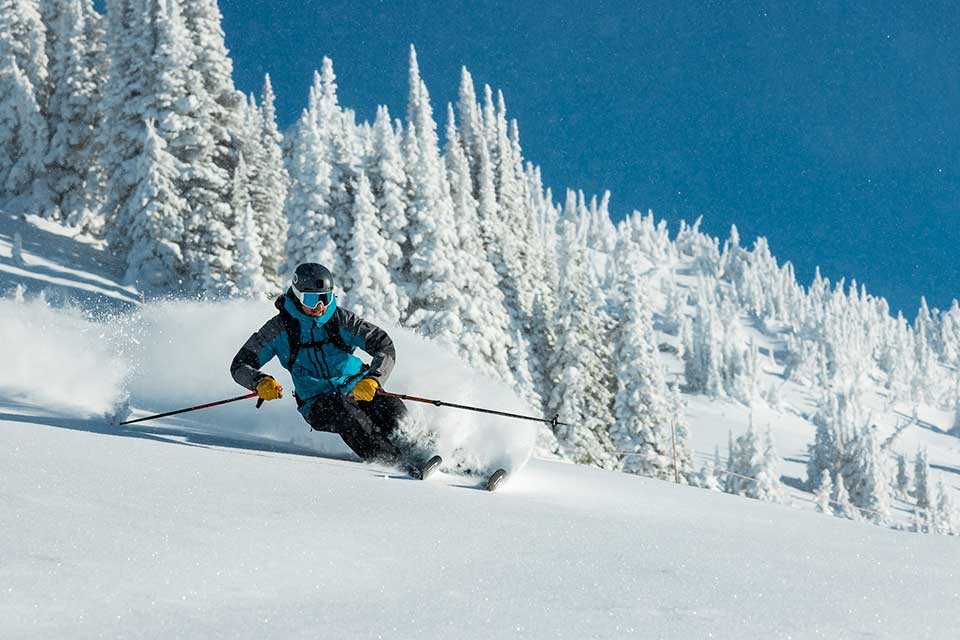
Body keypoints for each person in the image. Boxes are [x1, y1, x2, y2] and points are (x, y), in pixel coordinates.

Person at [230, 262, 416, 466]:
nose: (320, 306)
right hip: (317, 402)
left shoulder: (340, 319)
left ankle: (422, 447)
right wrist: (259, 382)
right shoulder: (279, 329)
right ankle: (393, 461)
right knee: (345, 413)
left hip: (358, 387)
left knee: (392, 409)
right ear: (297, 295)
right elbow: (240, 365)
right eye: (311, 299)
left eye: (325, 298)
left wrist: (374, 379)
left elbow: (383, 344)